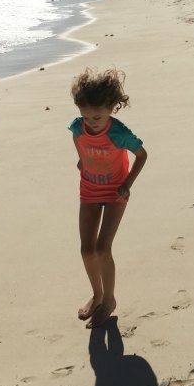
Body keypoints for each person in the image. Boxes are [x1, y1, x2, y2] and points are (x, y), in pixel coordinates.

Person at [70, 68, 148, 328]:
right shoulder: (78, 127)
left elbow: (142, 155)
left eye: (97, 116)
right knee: (86, 250)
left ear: (113, 108)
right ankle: (97, 294)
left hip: (116, 192)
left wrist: (128, 183)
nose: (90, 121)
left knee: (103, 249)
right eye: (85, 115)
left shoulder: (119, 133)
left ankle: (110, 300)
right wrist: (82, 160)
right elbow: (77, 137)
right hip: (89, 189)